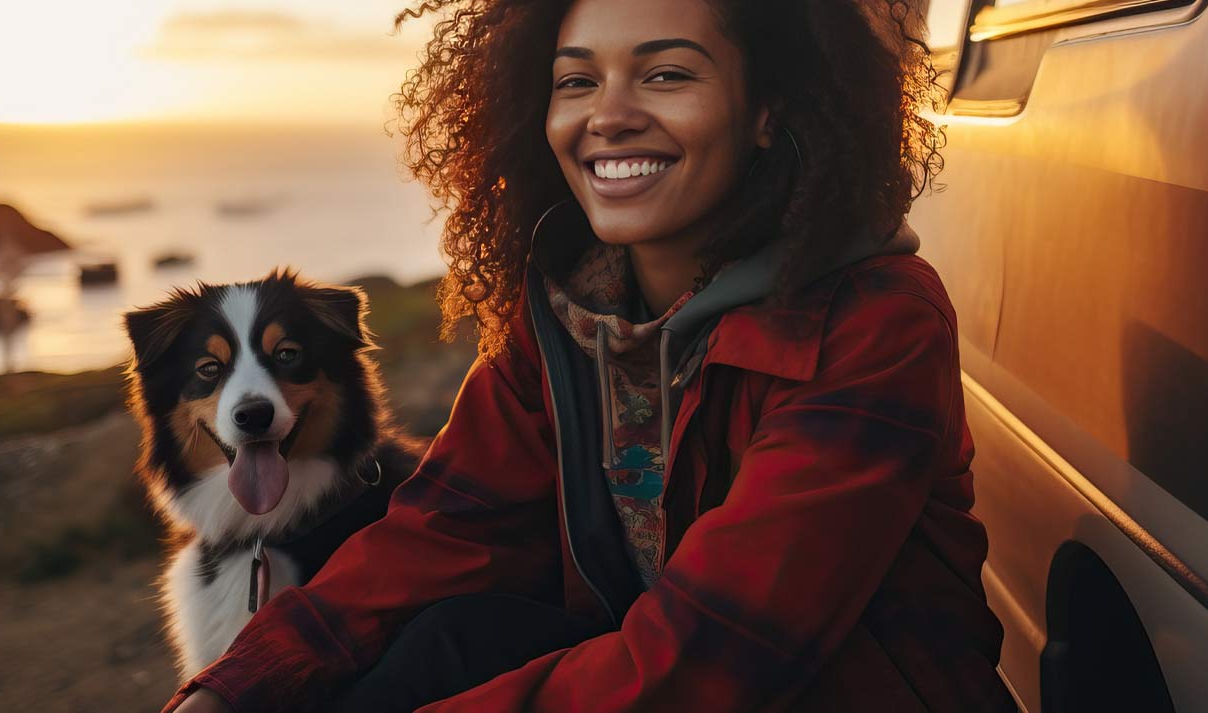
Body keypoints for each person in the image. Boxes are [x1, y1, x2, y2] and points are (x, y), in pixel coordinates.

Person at [167, 0, 1012, 710]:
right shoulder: (570, 312)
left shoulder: (877, 324)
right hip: (653, 673)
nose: (606, 115)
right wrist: (233, 687)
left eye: (667, 74)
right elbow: (446, 530)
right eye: (576, 81)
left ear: (769, 109)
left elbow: (718, 652)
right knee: (451, 635)